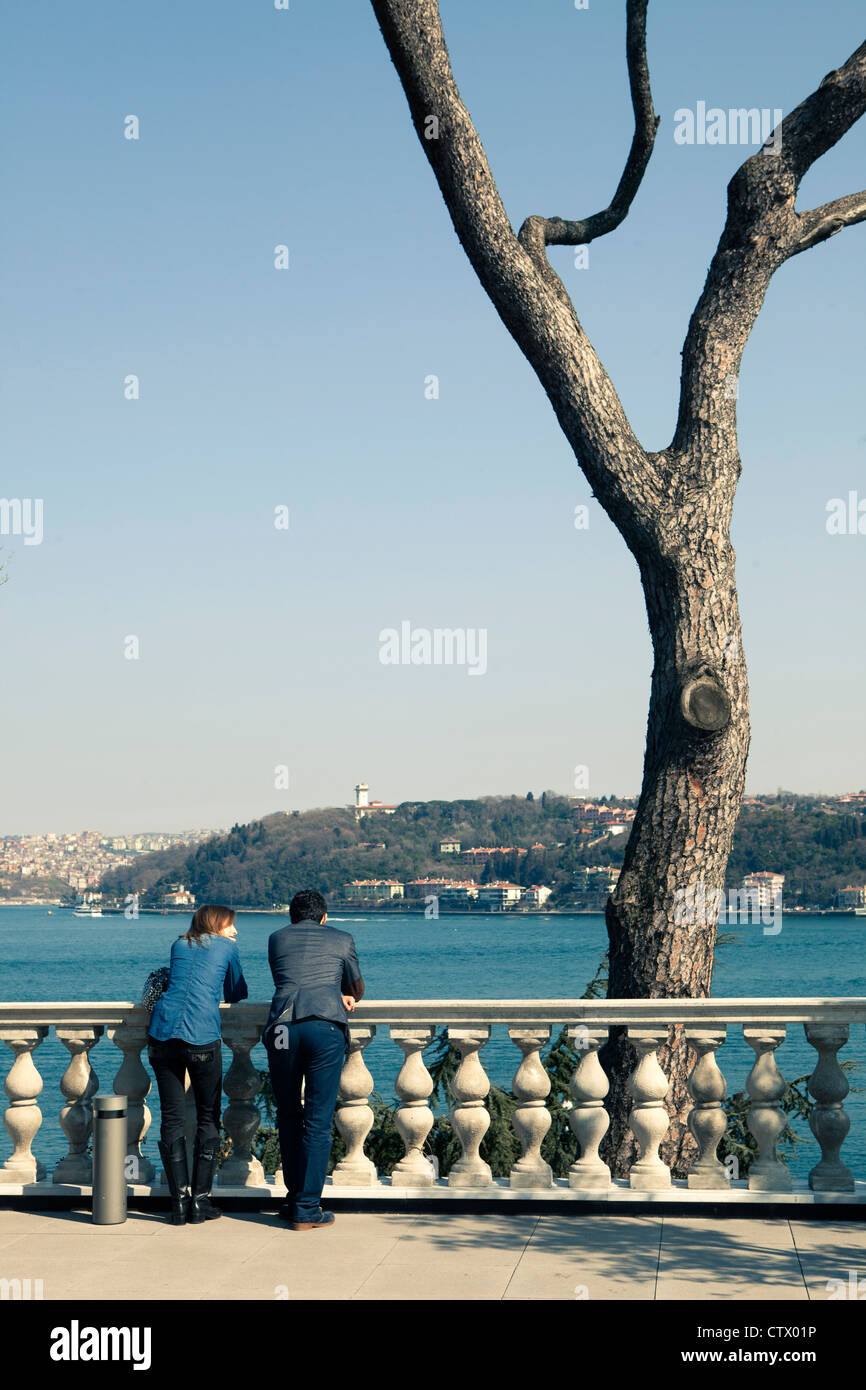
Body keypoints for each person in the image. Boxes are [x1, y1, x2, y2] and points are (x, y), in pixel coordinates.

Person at [263, 889, 365, 1230]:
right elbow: (357, 986)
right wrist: (344, 995)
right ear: (324, 917)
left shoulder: (276, 939)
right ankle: (308, 1207)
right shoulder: (342, 938)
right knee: (318, 1119)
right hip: (324, 1026)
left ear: (292, 916)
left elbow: (290, 979)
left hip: (282, 1030)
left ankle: (293, 1200)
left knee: (288, 1113)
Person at [147, 904, 248, 1225]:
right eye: (231, 925)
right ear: (218, 925)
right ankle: (200, 1203)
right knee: (208, 1116)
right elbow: (237, 991)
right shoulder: (228, 947)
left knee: (172, 1117)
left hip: (162, 1035)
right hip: (201, 1036)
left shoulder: (178, 944)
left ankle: (178, 1204)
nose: (235, 931)